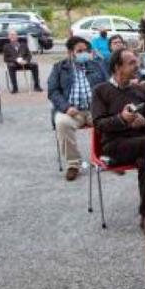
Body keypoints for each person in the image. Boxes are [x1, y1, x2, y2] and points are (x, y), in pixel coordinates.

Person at [90, 49, 145, 228]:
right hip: (113, 146)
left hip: (141, 146)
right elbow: (99, 124)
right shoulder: (100, 91)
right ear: (118, 67)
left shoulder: (140, 91)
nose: (137, 66)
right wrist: (122, 119)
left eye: (137, 62)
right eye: (132, 63)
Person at [48, 36, 107, 181]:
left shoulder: (96, 65)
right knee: (62, 123)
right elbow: (53, 91)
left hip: (94, 109)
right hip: (72, 111)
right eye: (79, 51)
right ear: (70, 53)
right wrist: (65, 107)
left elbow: (107, 86)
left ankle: (105, 157)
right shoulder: (59, 67)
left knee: (110, 120)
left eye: (86, 50)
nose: (83, 53)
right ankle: (73, 165)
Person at [2, 29, 42, 93]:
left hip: (24, 63)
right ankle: (15, 88)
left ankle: (37, 86)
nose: (12, 36)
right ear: (8, 37)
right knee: (11, 66)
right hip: (14, 64)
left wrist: (26, 61)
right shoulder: (6, 46)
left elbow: (29, 55)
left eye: (14, 35)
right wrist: (16, 60)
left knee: (35, 65)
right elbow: (6, 59)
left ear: (17, 36)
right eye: (11, 35)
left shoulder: (23, 44)